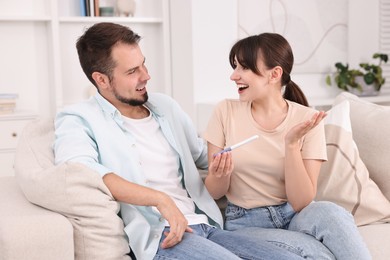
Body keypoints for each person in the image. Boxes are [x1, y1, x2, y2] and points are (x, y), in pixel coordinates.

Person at [53, 22, 310, 260]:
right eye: (133, 71)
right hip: (163, 236)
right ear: (101, 79)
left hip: (206, 225)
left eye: (143, 64)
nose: (146, 76)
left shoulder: (166, 107)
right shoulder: (78, 119)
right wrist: (160, 199)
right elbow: (80, 172)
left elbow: (203, 156)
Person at [203, 33, 372, 260]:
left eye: (244, 68)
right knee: (318, 255)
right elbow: (214, 192)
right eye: (235, 67)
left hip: (295, 215)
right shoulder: (225, 112)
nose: (234, 76)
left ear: (275, 74)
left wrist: (291, 145)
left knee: (333, 214)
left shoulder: (308, 119)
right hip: (244, 223)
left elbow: (302, 201)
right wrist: (219, 174)